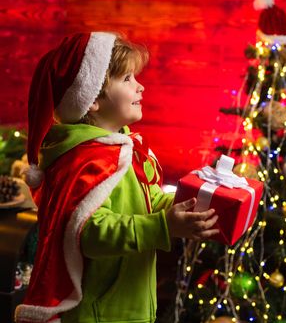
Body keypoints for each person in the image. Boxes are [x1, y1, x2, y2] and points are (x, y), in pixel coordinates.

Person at [15, 31, 219, 323]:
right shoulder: (84, 161)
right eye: (127, 79)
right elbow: (88, 231)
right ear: (92, 97)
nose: (141, 87)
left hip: (132, 306)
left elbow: (148, 200)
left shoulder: (122, 147)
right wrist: (163, 226)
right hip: (100, 314)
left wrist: (190, 203)